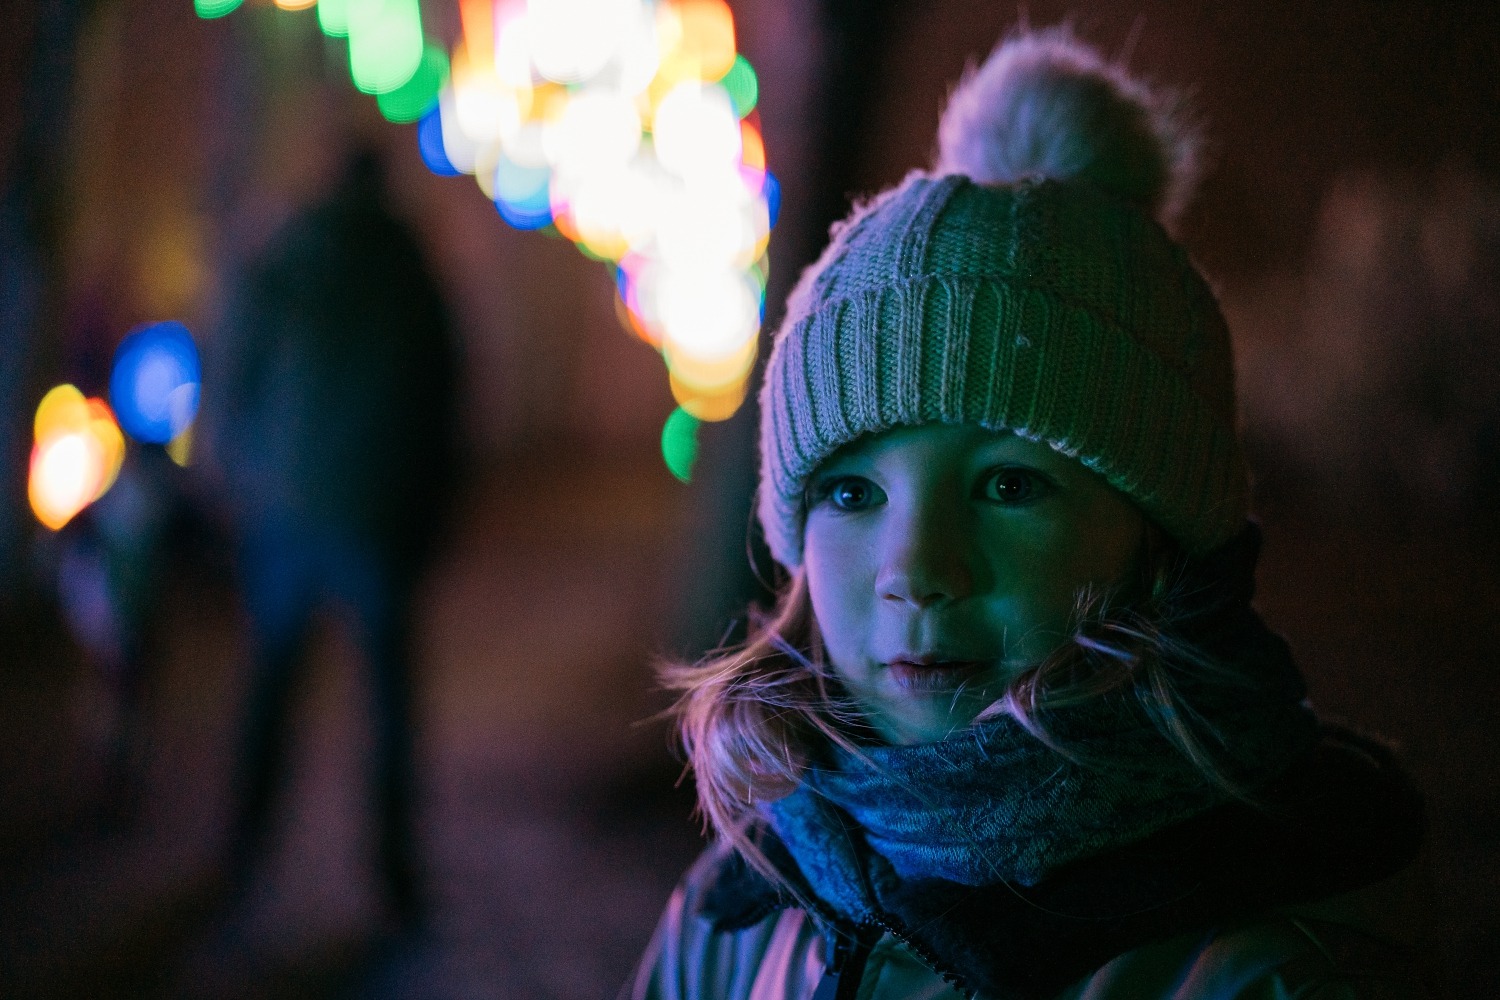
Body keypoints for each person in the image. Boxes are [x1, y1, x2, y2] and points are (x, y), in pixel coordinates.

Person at [629, 28, 1428, 1000]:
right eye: (850, 491)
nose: (916, 568)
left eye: (1008, 485)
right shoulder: (735, 919)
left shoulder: (1252, 972)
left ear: (1161, 541)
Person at [206, 149, 461, 932]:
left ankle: (242, 859)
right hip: (376, 524)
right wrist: (425, 522)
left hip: (284, 517)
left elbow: (233, 383)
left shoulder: (283, 263)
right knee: (386, 708)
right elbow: (445, 412)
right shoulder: (414, 276)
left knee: (271, 693)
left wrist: (248, 483)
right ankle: (393, 878)